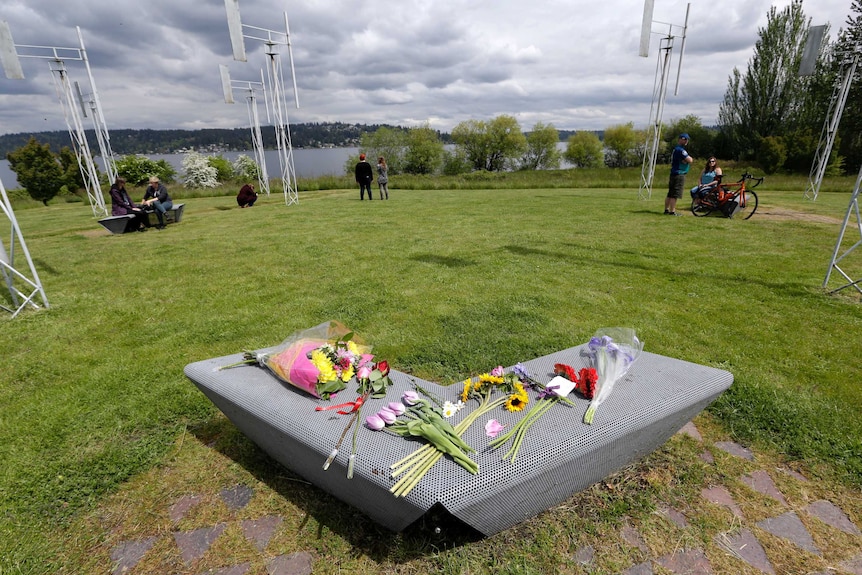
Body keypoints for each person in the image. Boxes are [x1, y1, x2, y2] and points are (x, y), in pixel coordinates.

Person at [665, 133, 693, 216]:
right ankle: (672, 211)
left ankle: (666, 209)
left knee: (670, 193)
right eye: (684, 139)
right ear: (680, 139)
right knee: (675, 193)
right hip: (679, 173)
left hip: (673, 172)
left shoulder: (675, 149)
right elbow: (690, 160)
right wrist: (687, 160)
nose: (686, 141)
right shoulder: (681, 150)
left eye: (687, 139)